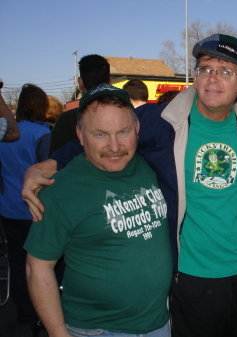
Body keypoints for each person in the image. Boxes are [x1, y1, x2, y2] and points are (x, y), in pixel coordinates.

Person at [22, 34, 237, 337]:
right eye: (205, 69)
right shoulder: (162, 121)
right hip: (191, 279)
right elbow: (103, 131)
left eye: (225, 71)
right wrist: (46, 166)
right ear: (195, 75)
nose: (212, 79)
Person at [24, 84, 172, 337]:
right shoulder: (60, 191)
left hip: (159, 323)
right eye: (100, 134)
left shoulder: (148, 163)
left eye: (123, 132)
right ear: (80, 135)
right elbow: (37, 268)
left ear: (137, 129)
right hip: (98, 330)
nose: (114, 147)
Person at [0, 83, 51, 335]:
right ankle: (40, 315)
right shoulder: (41, 134)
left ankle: (23, 313)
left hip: (8, 207)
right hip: (34, 209)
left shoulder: (4, 133)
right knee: (39, 265)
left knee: (18, 263)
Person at [49, 54, 111, 155]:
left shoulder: (66, 120)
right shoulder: (126, 118)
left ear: (80, 82)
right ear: (110, 82)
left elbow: (54, 162)